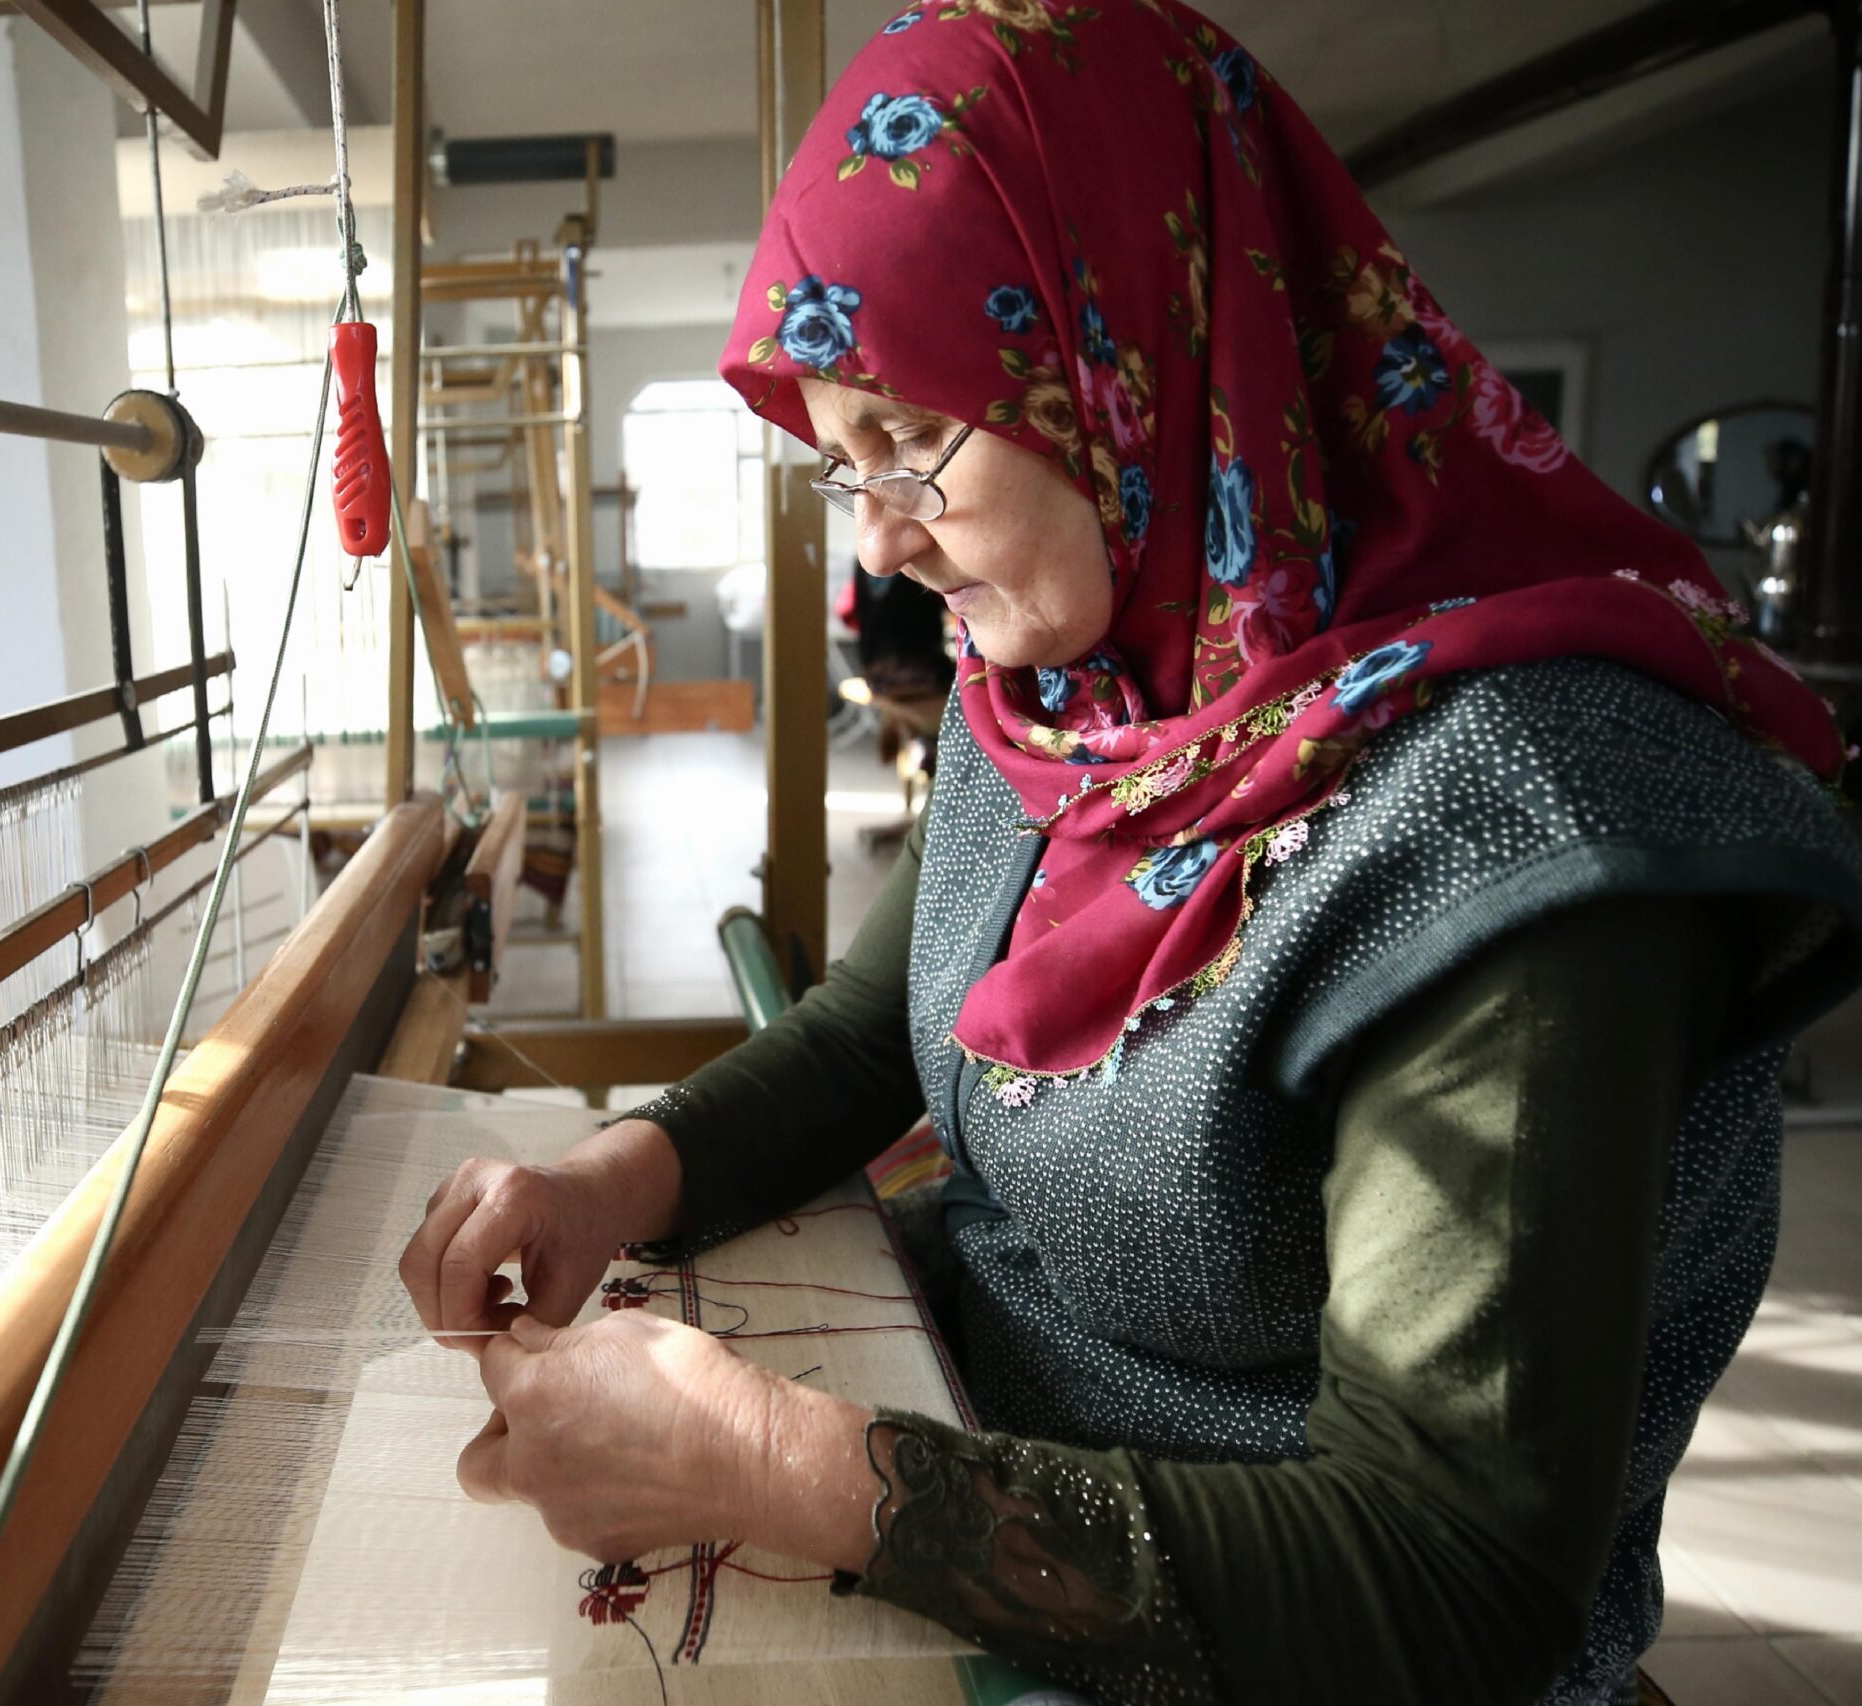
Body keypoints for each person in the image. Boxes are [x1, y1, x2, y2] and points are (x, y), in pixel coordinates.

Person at [399, 4, 1862, 1701]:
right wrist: (612, 1176)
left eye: (908, 438)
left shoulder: (1515, 827)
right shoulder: (1072, 694)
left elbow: (1450, 1584)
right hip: (985, 1479)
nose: (878, 540)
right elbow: (892, 1021)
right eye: (836, 464)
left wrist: (771, 1464)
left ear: (1128, 354)